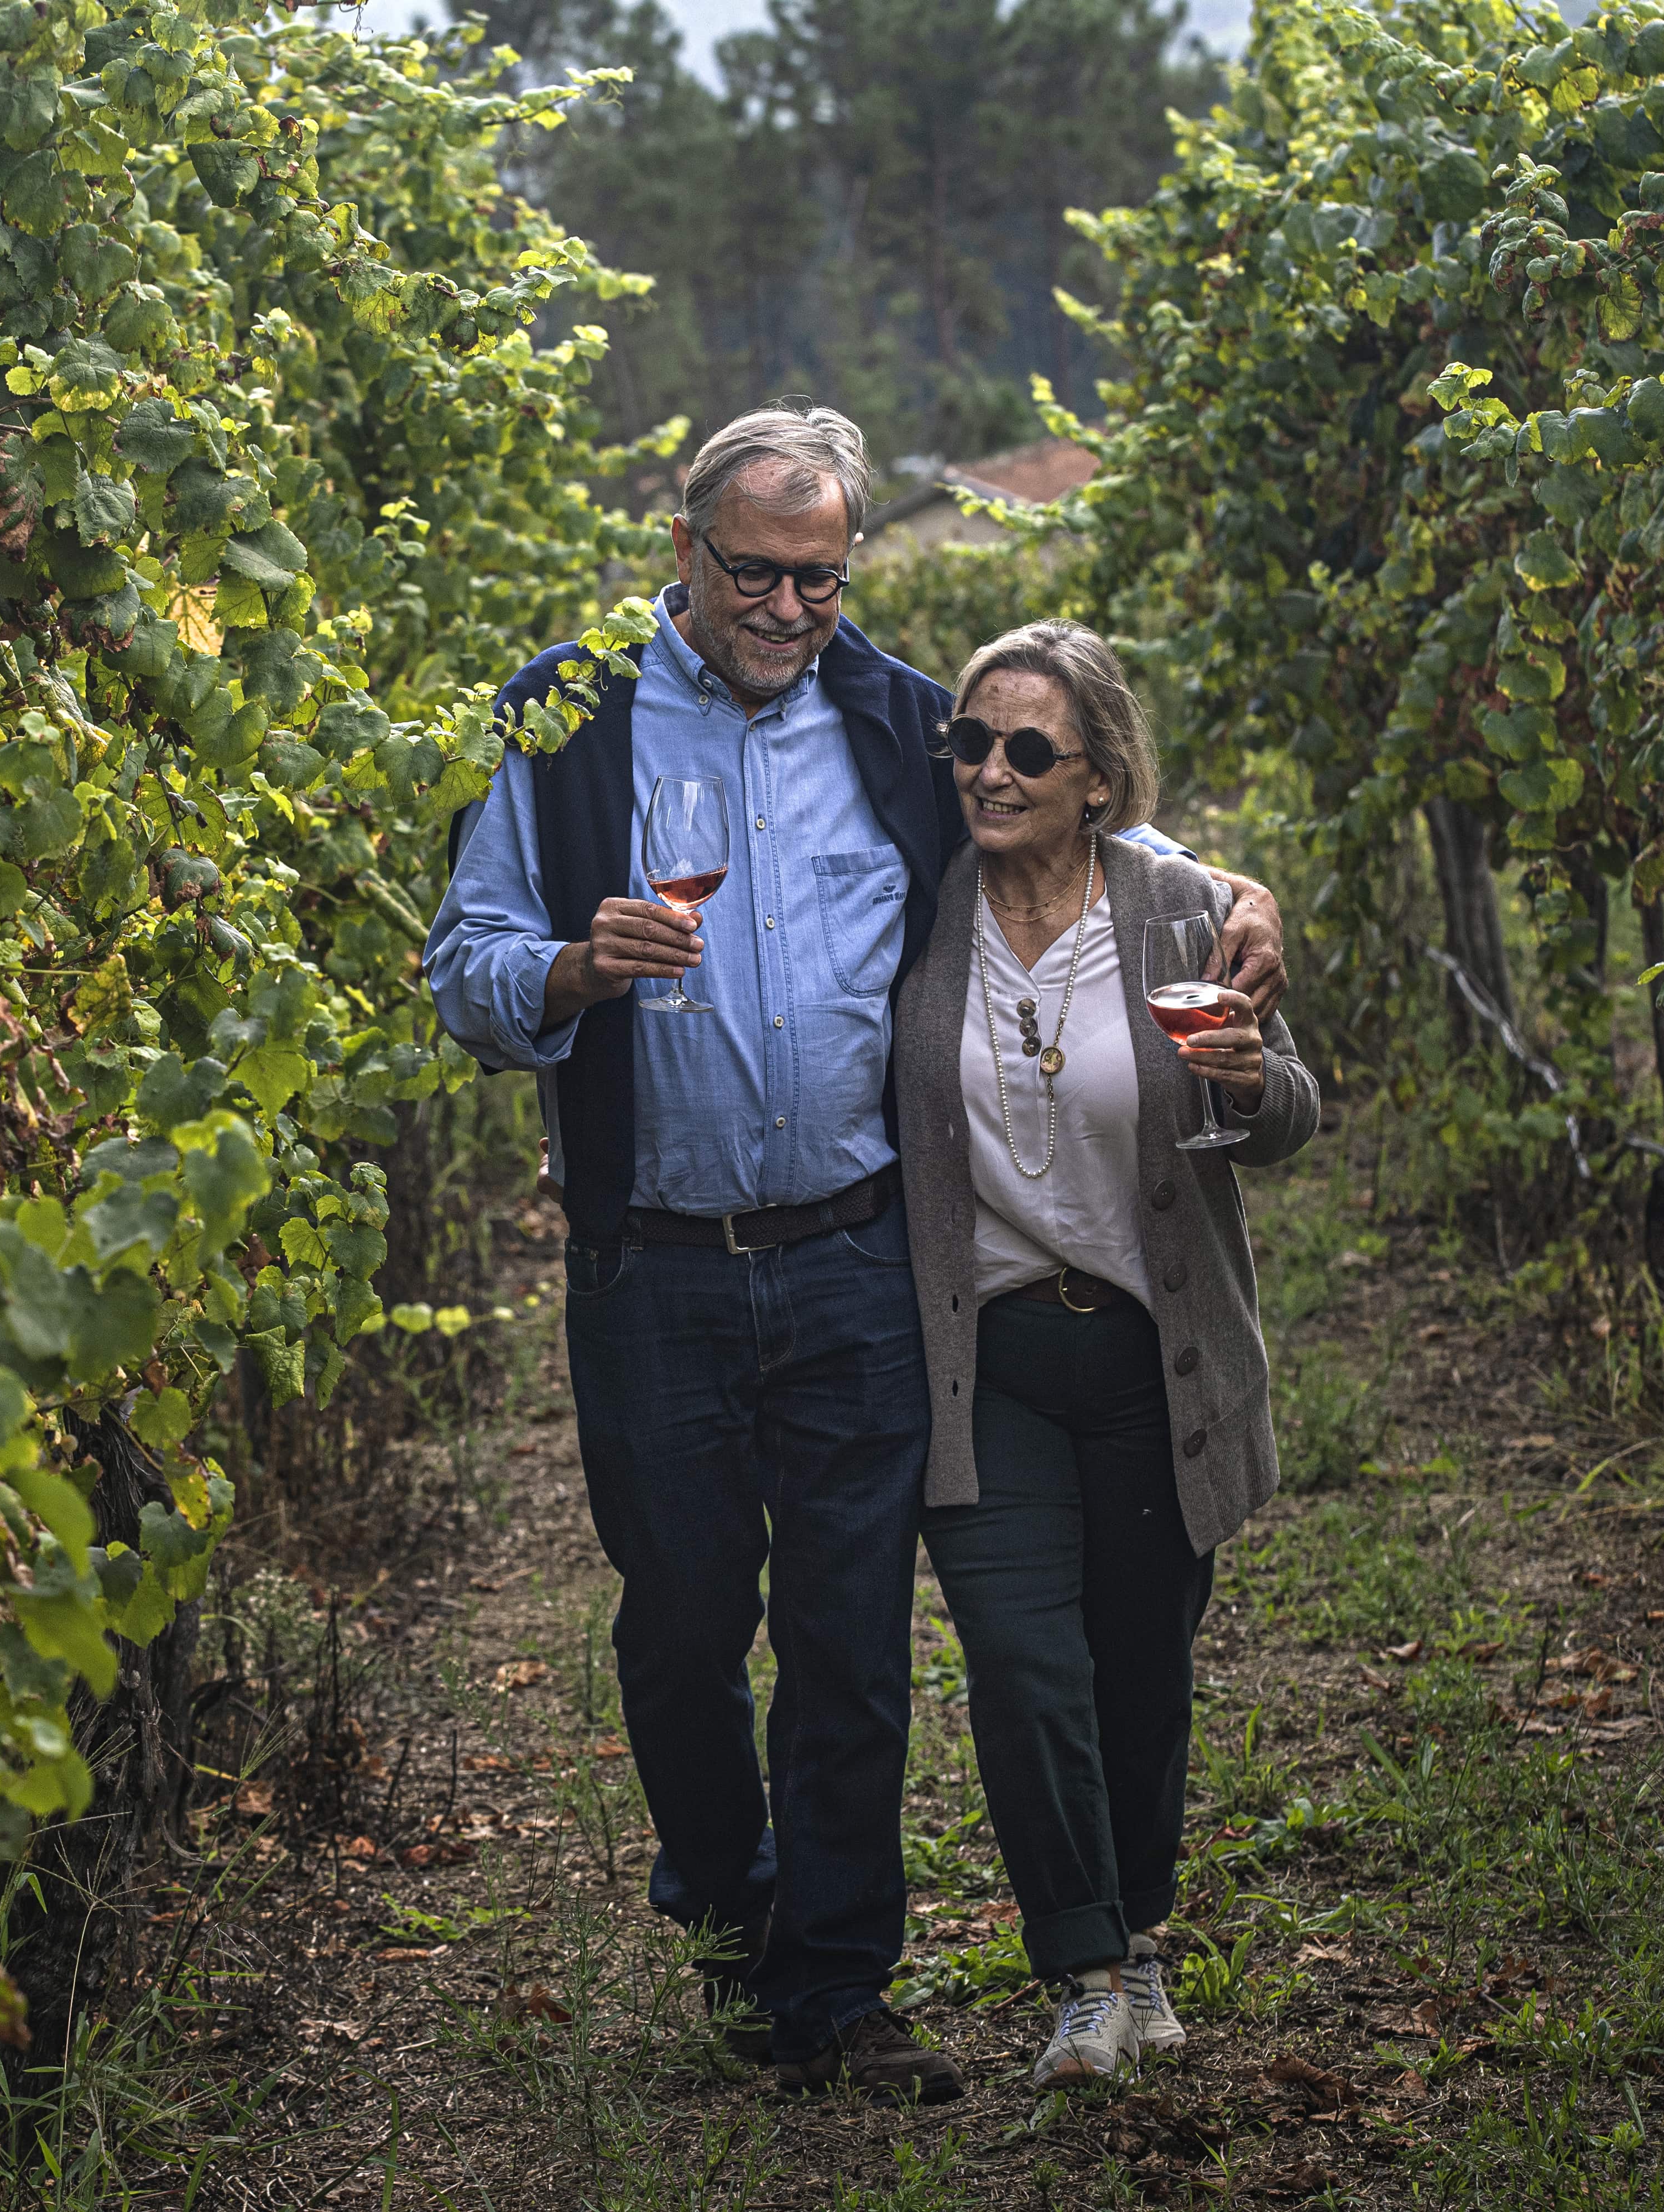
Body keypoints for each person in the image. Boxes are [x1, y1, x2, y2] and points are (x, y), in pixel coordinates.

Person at [422, 405, 1287, 2099]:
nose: (794, 610)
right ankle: (733, 1916)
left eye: (824, 578)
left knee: (848, 1643)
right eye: (761, 574)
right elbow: (465, 959)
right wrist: (573, 975)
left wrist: (1227, 883)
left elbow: (1078, 816)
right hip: (653, 1266)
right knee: (679, 1628)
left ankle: (831, 1986)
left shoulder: (899, 718)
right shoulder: (564, 714)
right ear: (685, 551)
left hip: (853, 1259)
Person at [888, 618, 1321, 2086]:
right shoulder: (918, 903)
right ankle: (1078, 1966)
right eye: (971, 743)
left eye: (1027, 750)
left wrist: (1255, 1084)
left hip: (1151, 1358)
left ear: (1098, 778)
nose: (989, 772)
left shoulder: (1179, 906)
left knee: (1142, 1666)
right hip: (989, 1354)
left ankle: (1140, 1934)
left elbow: (1293, 1112)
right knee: (1022, 1666)